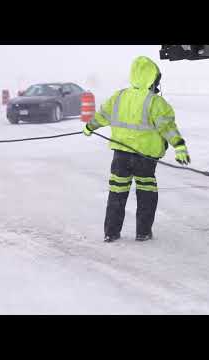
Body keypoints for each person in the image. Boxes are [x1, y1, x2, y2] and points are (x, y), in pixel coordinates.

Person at [83, 56, 191, 243]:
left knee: (117, 193)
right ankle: (143, 233)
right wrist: (179, 146)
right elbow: (168, 127)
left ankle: (111, 233)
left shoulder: (118, 97)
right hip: (145, 158)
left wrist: (89, 127)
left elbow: (102, 115)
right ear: (153, 78)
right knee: (146, 195)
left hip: (121, 157)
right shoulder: (155, 102)